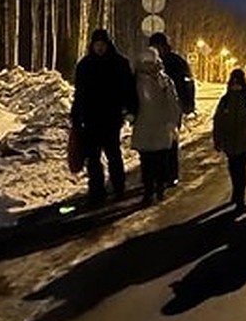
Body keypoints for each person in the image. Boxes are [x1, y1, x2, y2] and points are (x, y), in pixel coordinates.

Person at [71, 28, 137, 201]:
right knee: (92, 157)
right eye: (96, 45)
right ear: (92, 45)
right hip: (90, 118)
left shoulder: (119, 63)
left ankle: (118, 186)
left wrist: (130, 109)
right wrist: (76, 116)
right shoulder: (84, 65)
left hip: (111, 117)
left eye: (102, 44)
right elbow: (79, 93)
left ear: (108, 45)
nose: (99, 48)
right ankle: (97, 190)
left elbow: (129, 89)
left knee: (113, 153)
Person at [131, 47, 183, 207]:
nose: (148, 66)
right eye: (145, 62)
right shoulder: (135, 81)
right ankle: (148, 191)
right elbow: (131, 100)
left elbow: (173, 102)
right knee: (146, 161)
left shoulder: (164, 80)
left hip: (162, 126)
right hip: (144, 125)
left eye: (150, 62)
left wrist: (173, 122)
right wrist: (129, 113)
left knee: (160, 160)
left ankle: (159, 187)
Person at [148, 31, 196, 188]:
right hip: (153, 108)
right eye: (153, 46)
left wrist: (188, 103)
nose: (157, 49)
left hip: (173, 108)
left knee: (170, 142)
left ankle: (171, 174)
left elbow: (188, 82)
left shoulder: (177, 62)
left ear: (165, 46)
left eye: (159, 46)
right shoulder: (148, 63)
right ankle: (157, 174)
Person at [213, 68, 246, 210]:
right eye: (234, 82)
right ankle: (237, 191)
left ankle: (239, 194)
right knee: (233, 168)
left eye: (238, 82)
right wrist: (217, 139)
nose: (236, 86)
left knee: (240, 169)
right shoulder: (225, 101)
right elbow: (218, 121)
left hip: (244, 141)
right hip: (229, 142)